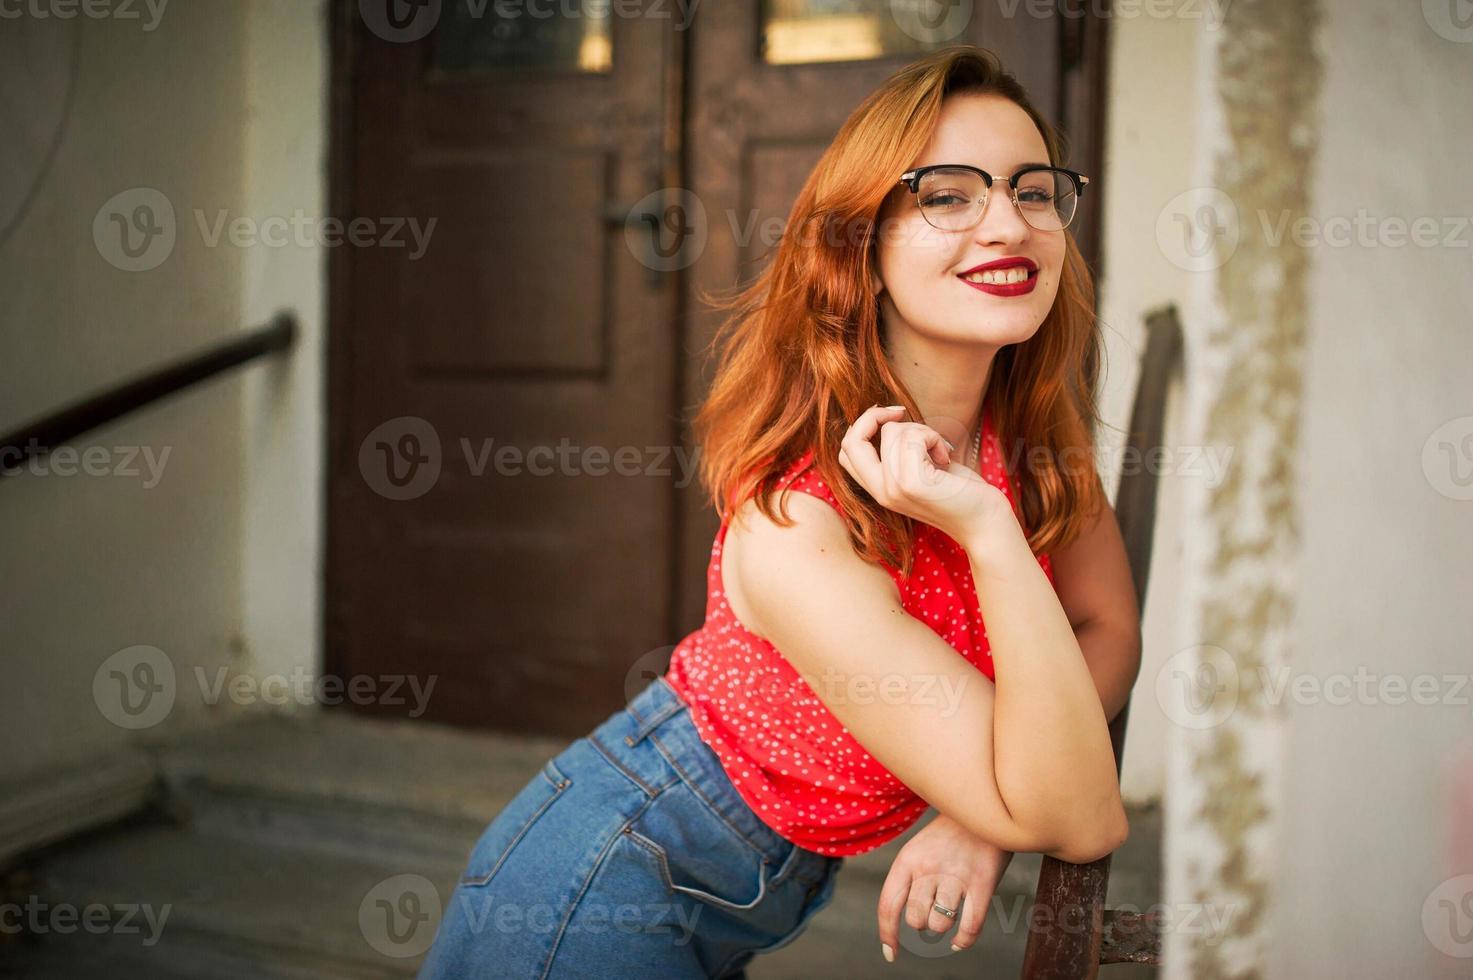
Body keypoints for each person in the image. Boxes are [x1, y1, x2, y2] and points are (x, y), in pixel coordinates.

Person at [418, 44, 1141, 979]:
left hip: (736, 899)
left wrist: (982, 813)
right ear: (862, 248)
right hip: (604, 885)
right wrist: (990, 535)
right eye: (948, 195)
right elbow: (1078, 814)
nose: (1007, 223)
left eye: (1033, 191)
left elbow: (1106, 626)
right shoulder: (800, 523)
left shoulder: (1026, 432)